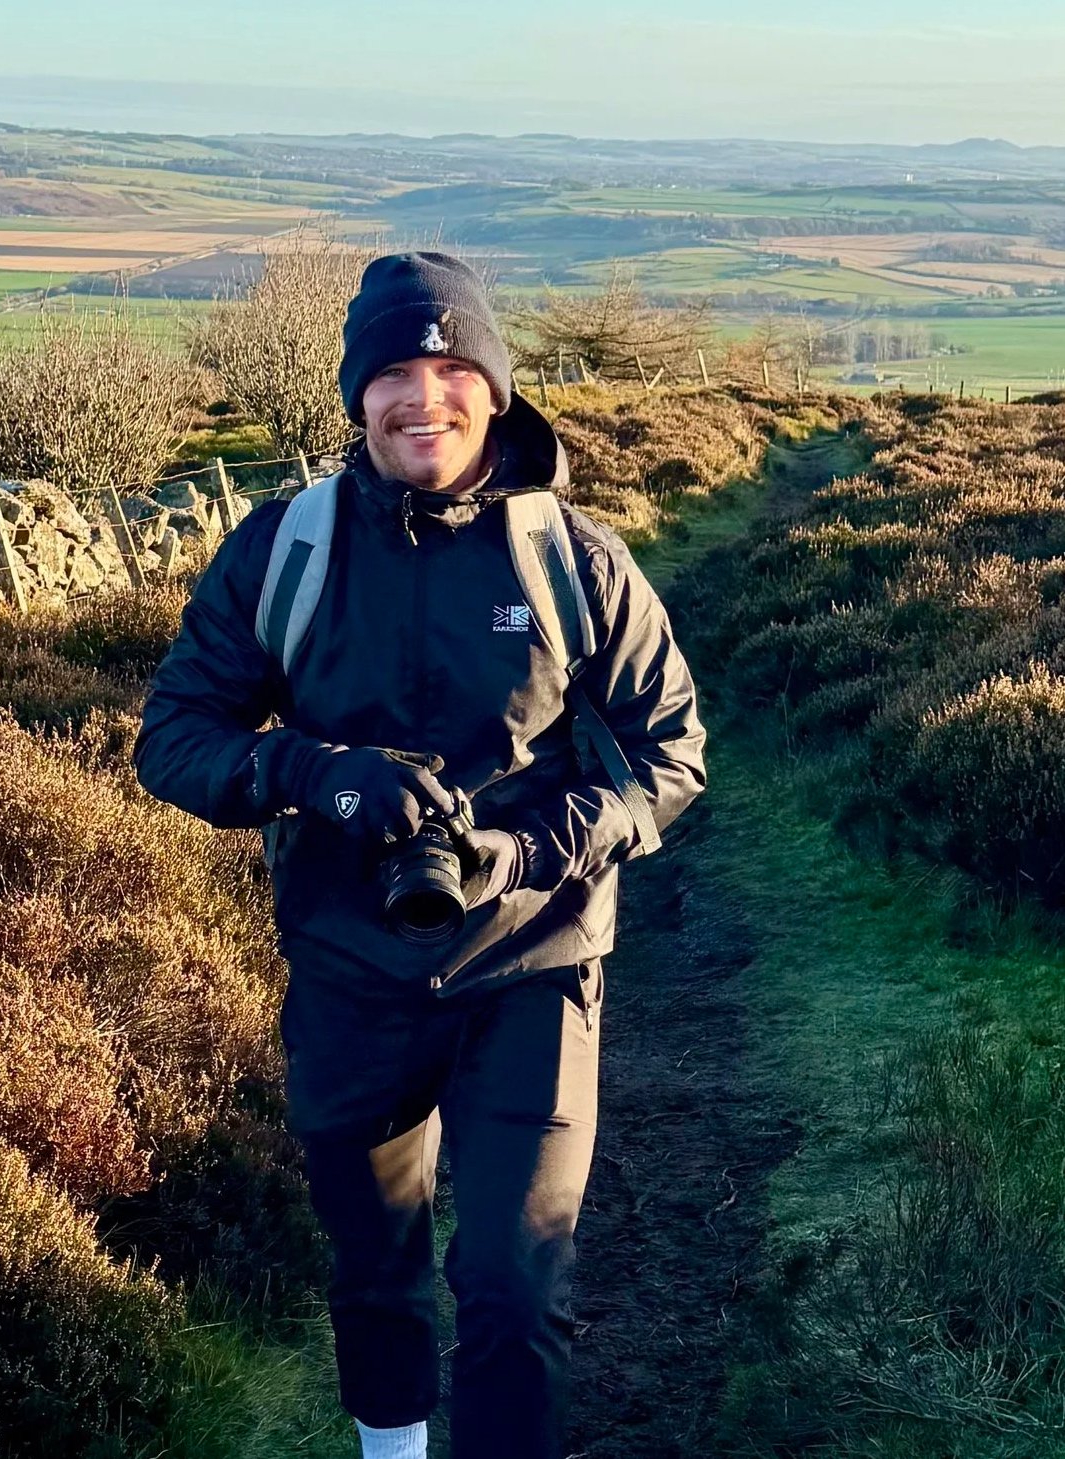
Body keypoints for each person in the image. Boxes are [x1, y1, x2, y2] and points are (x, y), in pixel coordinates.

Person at [133, 252, 707, 1459]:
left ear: (494, 388)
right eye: (392, 370)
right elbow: (173, 739)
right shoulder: (286, 551)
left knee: (514, 1283)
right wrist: (315, 773)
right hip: (348, 970)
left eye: (451, 369)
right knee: (374, 1265)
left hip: (532, 967)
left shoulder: (570, 558)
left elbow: (672, 754)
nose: (422, 396)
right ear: (357, 395)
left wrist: (527, 848)